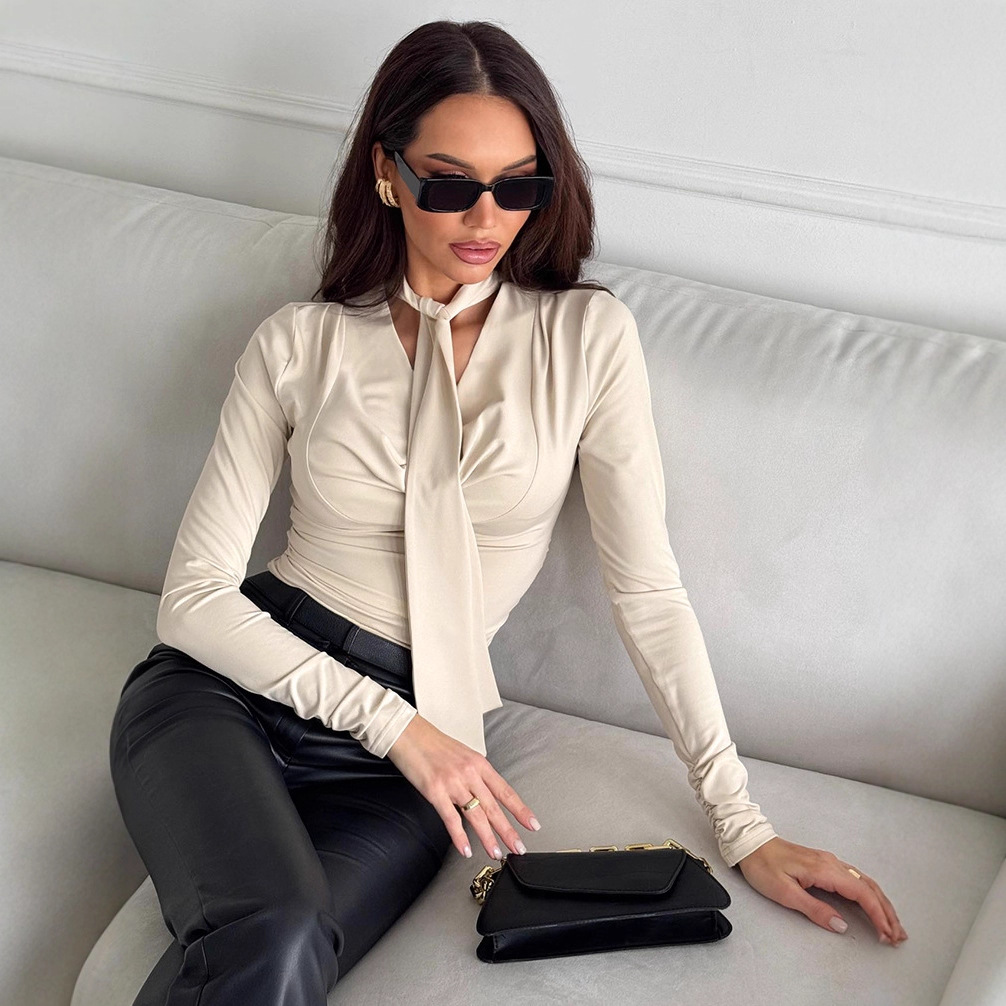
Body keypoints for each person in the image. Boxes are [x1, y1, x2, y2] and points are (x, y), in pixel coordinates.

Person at [108, 17, 907, 1006]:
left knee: (283, 947)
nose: (486, 217)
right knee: (271, 927)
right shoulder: (300, 343)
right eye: (450, 185)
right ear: (386, 174)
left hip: (408, 761)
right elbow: (192, 599)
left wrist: (743, 825)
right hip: (231, 693)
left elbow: (647, 591)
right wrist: (395, 726)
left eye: (519, 186)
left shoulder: (586, 339)